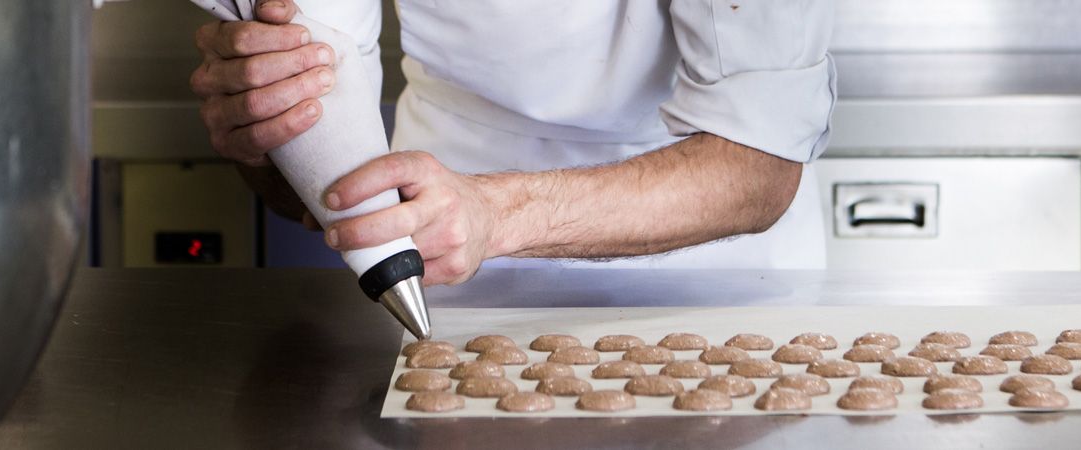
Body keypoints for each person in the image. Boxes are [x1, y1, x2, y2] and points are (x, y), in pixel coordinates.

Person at [192, 0, 836, 285]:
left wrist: (494, 215)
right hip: (446, 266)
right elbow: (311, 80)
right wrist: (270, 136)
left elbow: (758, 165)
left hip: (719, 272)